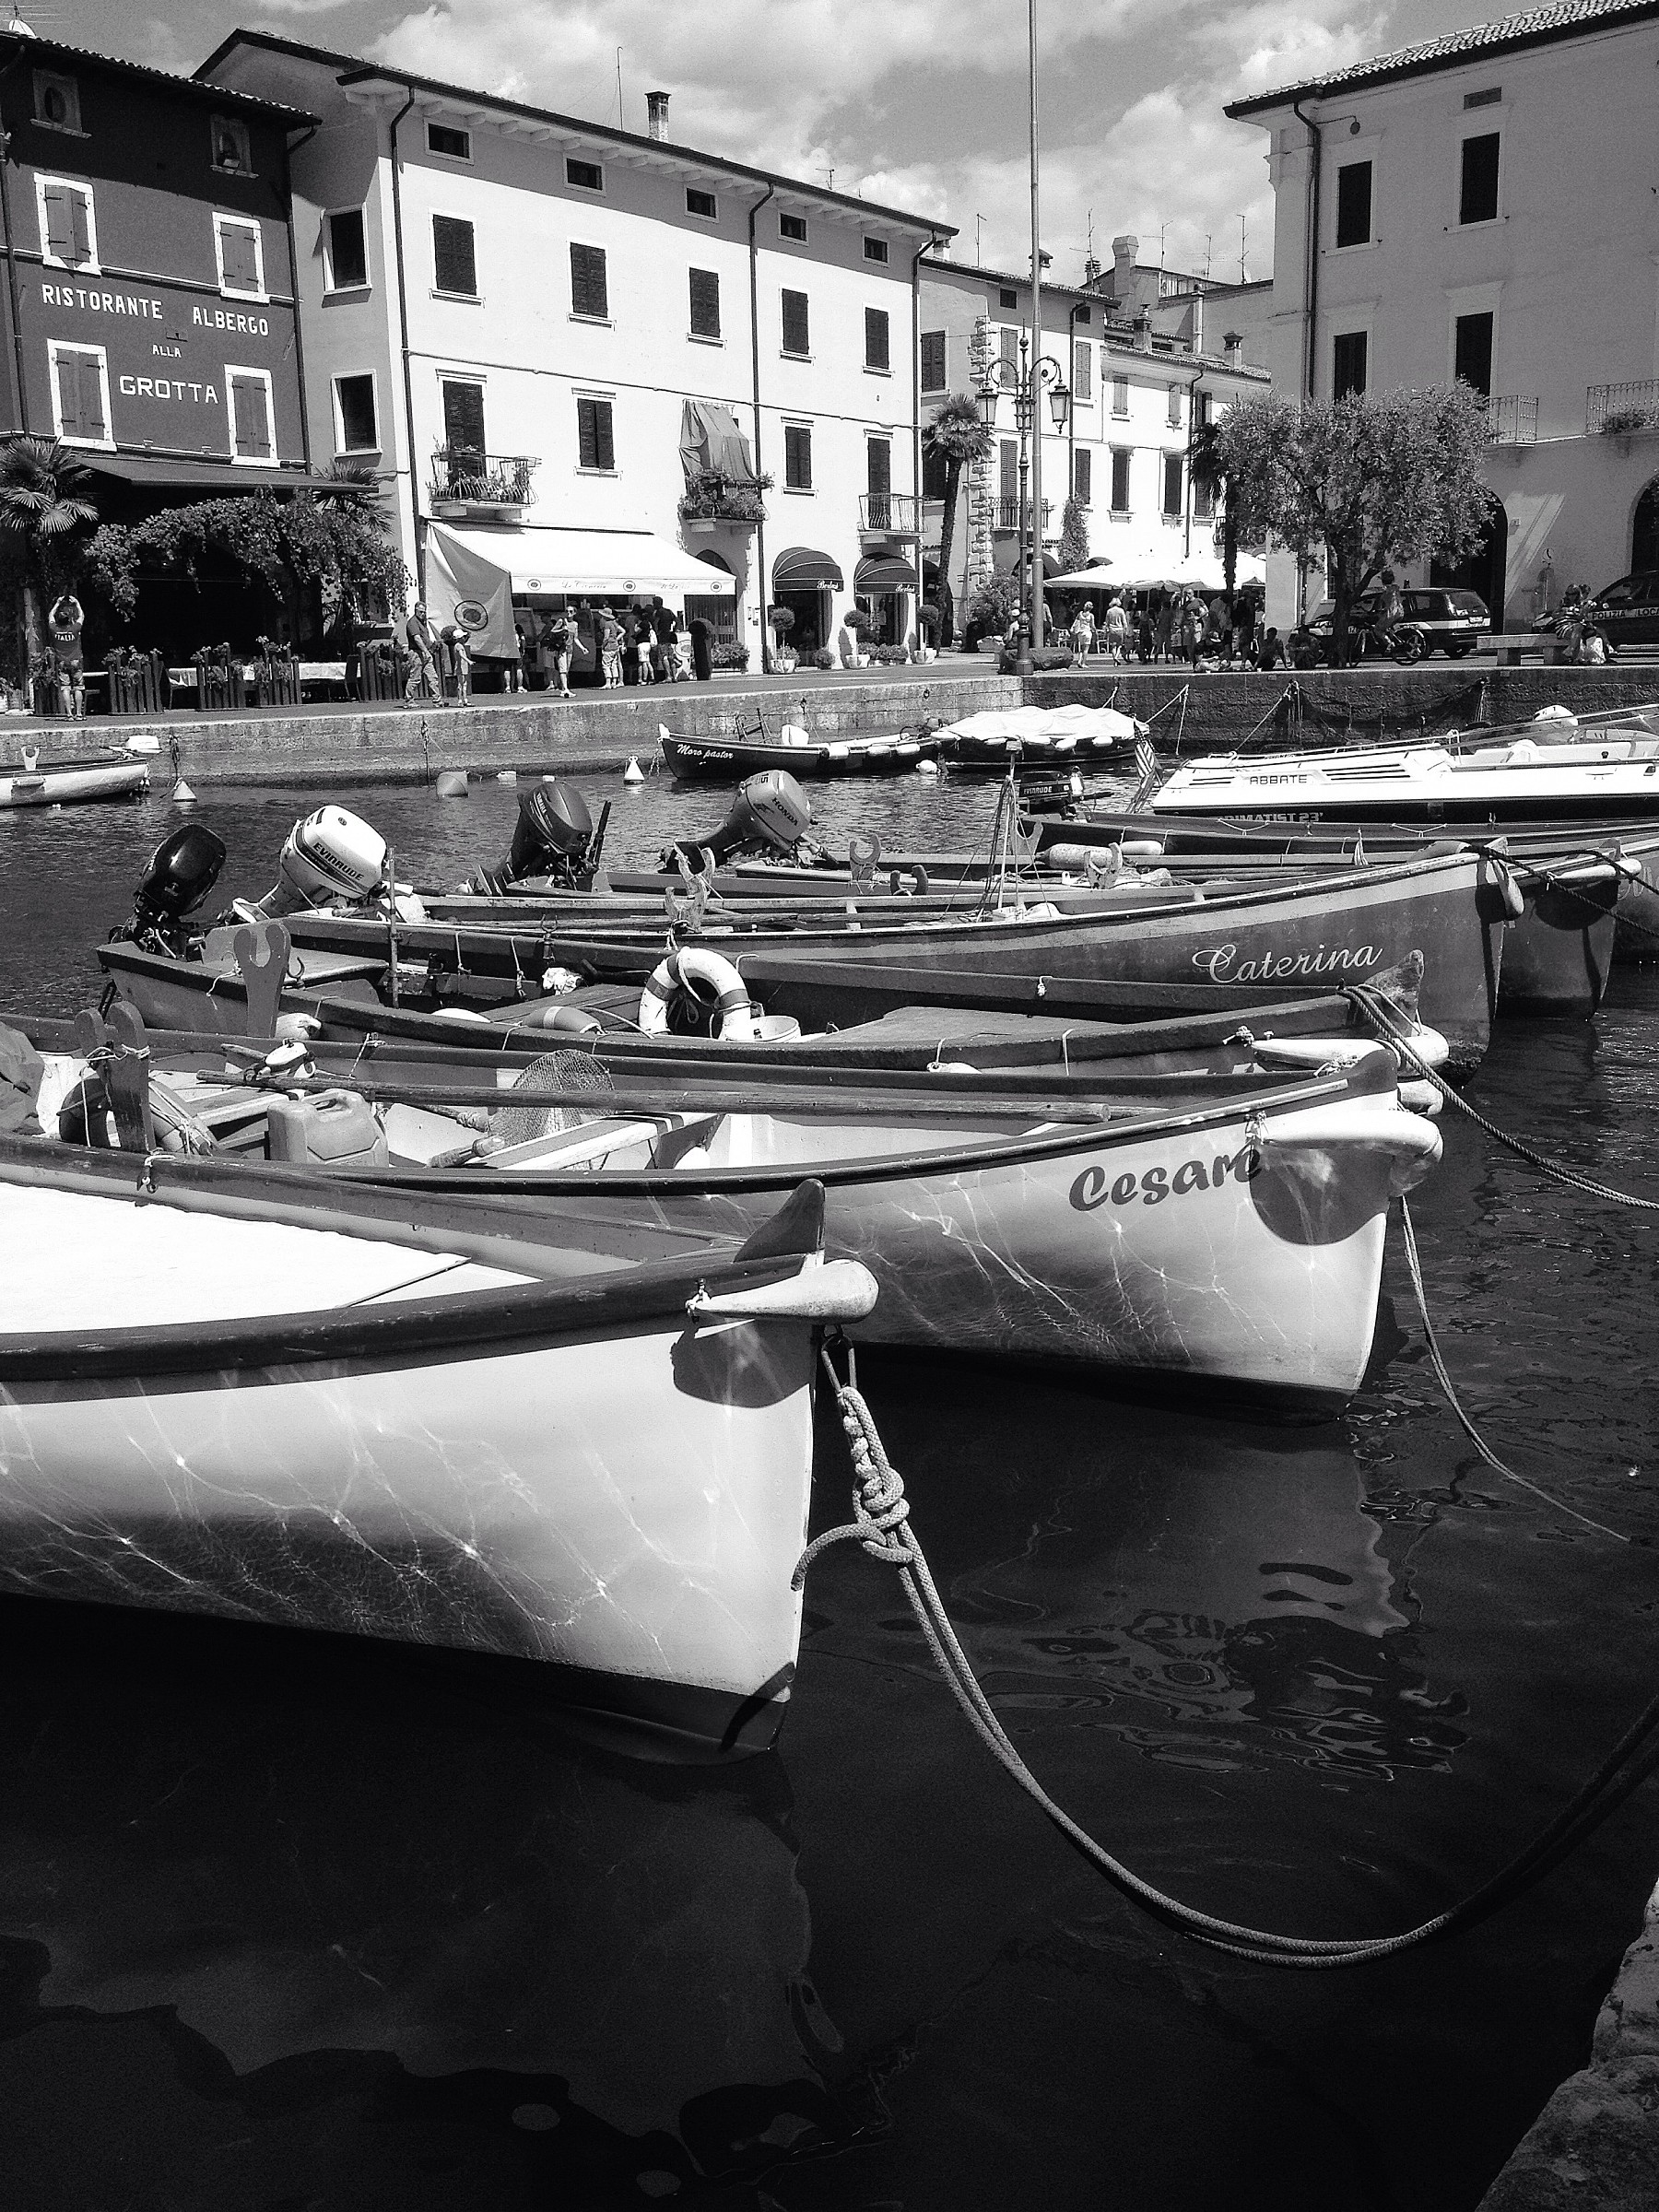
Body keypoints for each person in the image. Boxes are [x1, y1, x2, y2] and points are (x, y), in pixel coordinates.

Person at [47, 590, 84, 717]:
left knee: (65, 687)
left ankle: (69, 713)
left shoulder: (55, 630)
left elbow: (50, 616)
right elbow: (81, 617)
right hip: (75, 660)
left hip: (62, 661)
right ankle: (79, 713)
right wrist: (77, 604)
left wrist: (57, 604)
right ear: (69, 620)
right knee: (78, 687)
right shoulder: (74, 629)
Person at [401, 603, 440, 700]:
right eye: (420, 612)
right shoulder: (413, 622)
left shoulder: (422, 622)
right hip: (416, 653)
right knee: (415, 677)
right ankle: (409, 700)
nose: (423, 614)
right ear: (416, 610)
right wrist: (426, 651)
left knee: (433, 677)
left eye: (424, 612)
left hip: (425, 653)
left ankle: (437, 700)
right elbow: (417, 638)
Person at [599, 606, 625, 688]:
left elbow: (606, 637)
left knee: (606, 664)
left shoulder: (607, 624)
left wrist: (603, 646)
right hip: (615, 646)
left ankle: (608, 683)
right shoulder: (614, 623)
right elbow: (622, 631)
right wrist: (616, 639)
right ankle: (614, 681)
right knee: (614, 664)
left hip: (609, 646)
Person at [1104, 594, 1131, 663]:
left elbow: (1107, 622)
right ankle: (1116, 657)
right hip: (1119, 629)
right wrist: (1126, 630)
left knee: (1113, 646)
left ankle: (1115, 660)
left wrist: (1106, 630)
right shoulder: (1121, 611)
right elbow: (1124, 622)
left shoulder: (1109, 611)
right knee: (1119, 646)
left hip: (1112, 630)